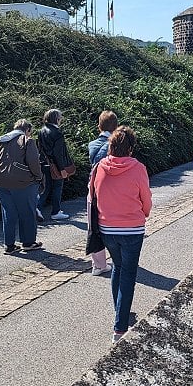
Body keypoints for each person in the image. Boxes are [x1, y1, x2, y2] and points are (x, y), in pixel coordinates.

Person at [92, 125, 152, 343]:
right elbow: (146, 198)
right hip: (132, 228)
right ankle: (119, 327)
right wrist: (144, 213)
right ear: (130, 148)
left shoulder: (100, 167)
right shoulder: (137, 168)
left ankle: (120, 310)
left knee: (118, 267)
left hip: (107, 228)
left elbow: (95, 194)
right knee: (128, 274)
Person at [0, 119, 44, 254]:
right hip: (24, 182)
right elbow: (34, 162)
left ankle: (9, 245)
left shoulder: (1, 141)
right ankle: (28, 243)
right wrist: (38, 177)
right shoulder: (27, 141)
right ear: (27, 130)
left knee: (8, 213)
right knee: (27, 212)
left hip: (1, 182)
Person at [87, 110, 118, 276]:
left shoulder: (92, 144)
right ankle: (117, 255)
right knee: (111, 223)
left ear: (99, 126)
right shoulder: (114, 145)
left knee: (94, 225)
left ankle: (98, 264)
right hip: (110, 189)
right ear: (116, 127)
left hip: (93, 187)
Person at [37, 109, 74, 221]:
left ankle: (37, 207)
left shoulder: (41, 131)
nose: (61, 119)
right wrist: (62, 169)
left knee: (46, 187)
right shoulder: (58, 133)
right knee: (57, 187)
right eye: (60, 117)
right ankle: (56, 212)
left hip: (44, 163)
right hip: (55, 165)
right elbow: (58, 153)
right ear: (57, 119)